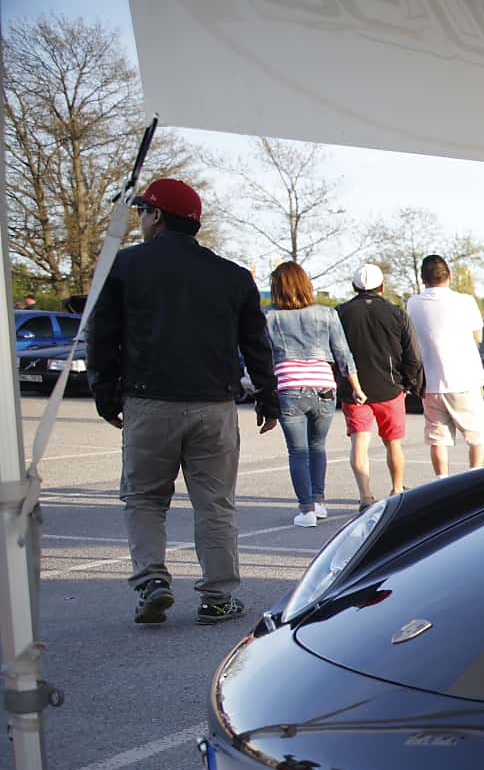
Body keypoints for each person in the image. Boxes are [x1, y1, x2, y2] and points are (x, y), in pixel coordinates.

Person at [91, 177, 275, 625]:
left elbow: (103, 337)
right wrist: (267, 394)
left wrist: (104, 393)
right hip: (214, 405)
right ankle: (218, 596)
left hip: (148, 401)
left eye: (142, 213)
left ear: (156, 215)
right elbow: (256, 342)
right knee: (214, 502)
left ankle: (152, 580)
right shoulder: (233, 276)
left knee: (145, 499)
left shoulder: (123, 266)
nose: (140, 221)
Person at [265, 261, 363, 527]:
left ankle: (306, 510)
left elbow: (263, 357)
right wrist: (356, 387)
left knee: (298, 451)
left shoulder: (269, 316)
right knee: (318, 446)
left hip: (290, 386)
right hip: (324, 386)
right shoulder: (326, 313)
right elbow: (343, 353)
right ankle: (319, 503)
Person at [336, 263, 423, 510]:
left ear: (354, 287)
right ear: (382, 287)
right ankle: (396, 488)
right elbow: (412, 354)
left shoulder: (340, 312)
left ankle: (365, 496)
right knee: (393, 442)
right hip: (390, 387)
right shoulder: (396, 314)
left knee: (359, 442)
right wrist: (410, 383)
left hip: (354, 390)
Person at [406, 254, 484, 475]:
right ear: (449, 275)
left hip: (431, 382)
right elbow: (478, 336)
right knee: (477, 435)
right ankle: (475, 476)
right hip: (465, 379)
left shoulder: (413, 304)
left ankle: (441, 480)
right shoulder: (465, 301)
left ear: (423, 278)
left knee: (438, 438)